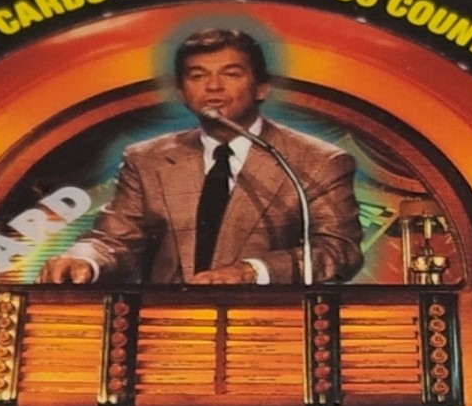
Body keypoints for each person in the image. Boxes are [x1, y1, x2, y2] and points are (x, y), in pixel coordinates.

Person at [41, 29, 363, 287]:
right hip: (166, 329)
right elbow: (115, 238)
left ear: (261, 88)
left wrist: (251, 272)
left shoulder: (317, 161)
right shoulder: (147, 160)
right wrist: (84, 258)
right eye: (197, 76)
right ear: (182, 93)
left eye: (231, 74)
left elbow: (338, 251)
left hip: (268, 328)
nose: (213, 87)